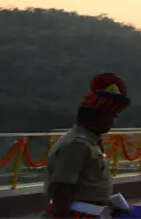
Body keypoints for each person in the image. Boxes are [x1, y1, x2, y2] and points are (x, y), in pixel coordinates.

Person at [46, 73, 129, 219]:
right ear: (94, 116)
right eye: (111, 116)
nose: (113, 122)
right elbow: (62, 190)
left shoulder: (92, 143)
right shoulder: (76, 145)